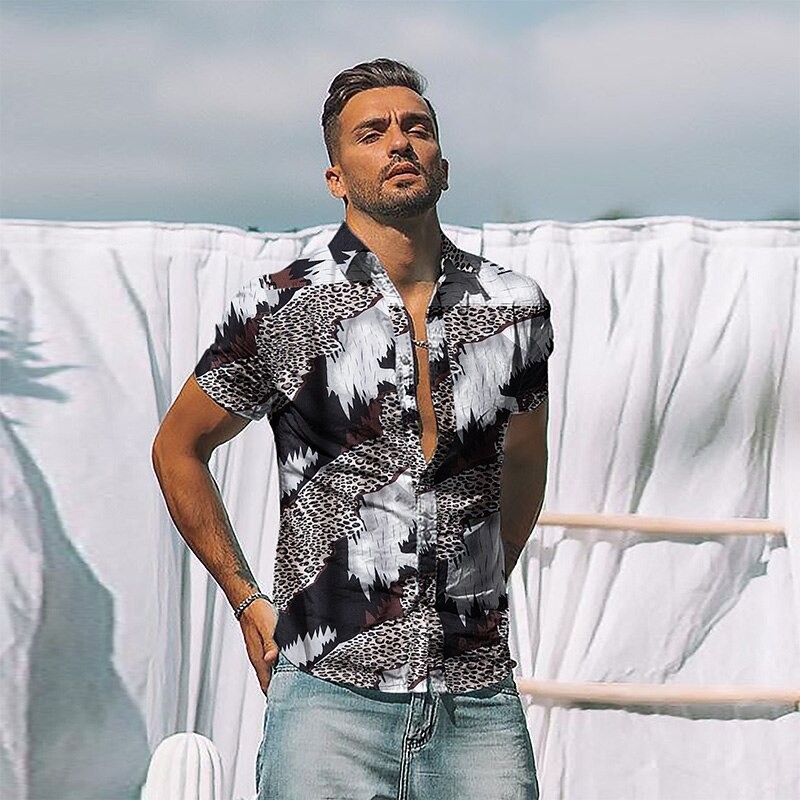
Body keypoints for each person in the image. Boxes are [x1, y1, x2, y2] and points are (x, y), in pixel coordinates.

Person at [152, 58, 553, 800]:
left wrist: (487, 581)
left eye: (417, 128)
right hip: (328, 697)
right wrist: (247, 601)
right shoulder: (281, 306)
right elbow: (179, 449)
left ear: (442, 164)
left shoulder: (514, 306)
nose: (400, 142)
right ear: (336, 176)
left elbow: (525, 462)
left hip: (477, 700)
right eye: (372, 133)